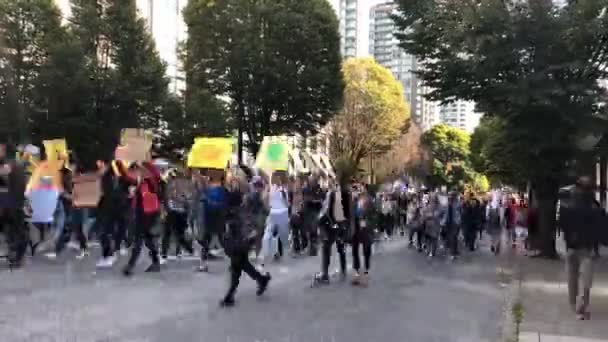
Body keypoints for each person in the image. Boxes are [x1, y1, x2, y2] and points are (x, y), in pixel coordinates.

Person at [220, 175, 271, 307]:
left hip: (244, 234)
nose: (234, 184)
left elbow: (255, 213)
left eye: (236, 182)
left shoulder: (249, 196)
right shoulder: (232, 195)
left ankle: (231, 294)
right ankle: (261, 279)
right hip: (237, 233)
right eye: (232, 182)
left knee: (237, 262)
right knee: (241, 263)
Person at [560, 176, 601, 320]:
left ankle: (577, 305)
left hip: (576, 247)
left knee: (576, 277)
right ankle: (579, 305)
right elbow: (599, 227)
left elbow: (563, 224)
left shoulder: (568, 204)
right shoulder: (593, 206)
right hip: (583, 248)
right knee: (583, 278)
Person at [121, 161, 162, 276]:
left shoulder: (148, 182)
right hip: (146, 213)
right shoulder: (146, 181)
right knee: (148, 239)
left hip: (145, 214)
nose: (139, 171)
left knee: (138, 240)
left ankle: (130, 266)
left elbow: (147, 197)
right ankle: (156, 262)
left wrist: (137, 193)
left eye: (141, 169)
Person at [317, 179, 351, 284]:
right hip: (341, 225)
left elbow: (327, 211)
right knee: (341, 247)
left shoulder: (332, 194)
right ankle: (343, 269)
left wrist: (327, 223)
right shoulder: (346, 195)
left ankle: (325, 275)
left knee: (326, 248)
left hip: (332, 225)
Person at [0, 143, 28, 268]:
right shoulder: (15, 165)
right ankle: (16, 256)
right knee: (14, 230)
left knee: (15, 230)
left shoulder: (9, 165)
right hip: (13, 204)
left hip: (12, 204)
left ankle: (17, 256)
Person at [161, 169, 195, 262]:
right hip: (179, 212)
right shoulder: (187, 184)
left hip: (174, 211)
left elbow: (167, 198)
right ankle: (183, 250)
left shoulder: (171, 184)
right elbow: (189, 199)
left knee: (169, 233)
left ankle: (166, 253)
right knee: (178, 234)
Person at [197, 171, 227, 272]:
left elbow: (221, 204)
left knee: (223, 241)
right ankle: (203, 264)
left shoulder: (222, 189)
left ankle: (237, 261)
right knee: (206, 241)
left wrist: (208, 200)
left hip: (217, 217)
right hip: (208, 217)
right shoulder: (207, 188)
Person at [260, 173, 290, 269]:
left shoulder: (279, 189)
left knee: (273, 234)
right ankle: (270, 253)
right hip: (277, 213)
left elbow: (264, 199)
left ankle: (271, 253)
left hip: (277, 213)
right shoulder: (278, 189)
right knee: (272, 234)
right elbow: (286, 203)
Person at [351, 185, 374, 286]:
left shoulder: (369, 200)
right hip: (355, 228)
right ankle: (356, 272)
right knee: (355, 250)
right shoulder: (353, 201)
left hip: (366, 228)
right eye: (355, 190)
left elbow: (373, 214)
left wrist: (371, 225)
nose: (357, 191)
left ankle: (366, 270)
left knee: (366, 250)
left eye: (359, 189)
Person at [302, 177, 324, 256]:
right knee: (307, 229)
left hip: (315, 211)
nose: (311, 182)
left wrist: (315, 200)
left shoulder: (318, 189)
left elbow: (321, 199)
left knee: (313, 229)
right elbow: (305, 199)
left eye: (312, 181)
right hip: (307, 211)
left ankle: (313, 249)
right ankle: (307, 246)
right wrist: (311, 200)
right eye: (309, 181)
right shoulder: (306, 189)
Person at [441, 192, 462, 260]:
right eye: (449, 196)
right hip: (447, 223)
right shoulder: (445, 204)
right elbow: (443, 213)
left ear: (455, 197)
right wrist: (442, 222)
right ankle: (454, 251)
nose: (450, 197)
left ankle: (452, 253)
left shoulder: (458, 204)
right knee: (452, 238)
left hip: (455, 223)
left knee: (453, 237)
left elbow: (461, 212)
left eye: (452, 196)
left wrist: (459, 220)